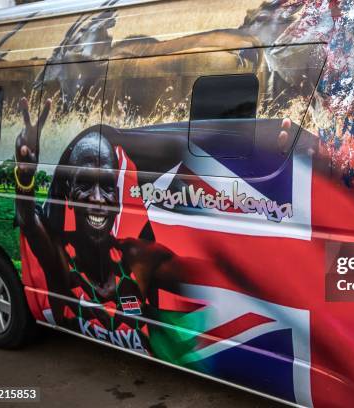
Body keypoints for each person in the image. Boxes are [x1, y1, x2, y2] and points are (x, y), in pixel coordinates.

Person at [14, 97, 210, 360]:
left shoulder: (138, 259)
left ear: (118, 201)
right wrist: (24, 176)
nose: (97, 198)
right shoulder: (61, 260)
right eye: (85, 184)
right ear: (70, 196)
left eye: (106, 186)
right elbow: (28, 222)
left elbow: (208, 281)